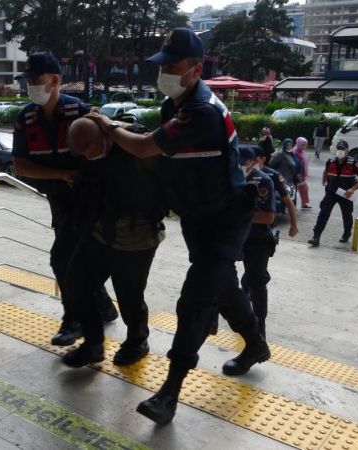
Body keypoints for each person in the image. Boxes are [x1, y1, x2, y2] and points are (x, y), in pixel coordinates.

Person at [86, 28, 268, 425]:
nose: (164, 72)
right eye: (162, 66)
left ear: (196, 70)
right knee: (223, 288)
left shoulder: (200, 111)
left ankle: (169, 393)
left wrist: (108, 126)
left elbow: (143, 147)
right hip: (199, 217)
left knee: (193, 301)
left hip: (224, 220)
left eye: (173, 66)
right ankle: (256, 344)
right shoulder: (175, 104)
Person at [11, 52, 117, 347]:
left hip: (91, 202)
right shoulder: (26, 118)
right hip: (58, 202)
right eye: (28, 81)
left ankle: (74, 320)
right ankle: (103, 307)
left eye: (36, 79)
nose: (31, 86)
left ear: (55, 80)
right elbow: (20, 165)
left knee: (62, 259)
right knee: (73, 260)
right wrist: (61, 175)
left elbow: (106, 155)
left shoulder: (81, 113)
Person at [61, 118, 165, 368]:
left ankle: (137, 340)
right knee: (76, 283)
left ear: (106, 136)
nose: (86, 156)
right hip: (98, 232)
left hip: (136, 237)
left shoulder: (135, 147)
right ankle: (93, 344)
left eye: (90, 149)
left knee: (129, 296)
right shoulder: (86, 151)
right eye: (81, 152)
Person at [242, 146, 299, 339]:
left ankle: (259, 329)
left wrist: (293, 224)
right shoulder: (231, 174)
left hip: (258, 237)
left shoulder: (269, 177)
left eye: (247, 161)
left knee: (255, 279)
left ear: (259, 160)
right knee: (229, 276)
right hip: (236, 236)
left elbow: (285, 203)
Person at [308, 140, 358, 247]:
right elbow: (326, 171)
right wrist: (324, 181)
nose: (340, 151)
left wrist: (352, 189)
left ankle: (346, 234)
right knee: (323, 213)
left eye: (342, 149)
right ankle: (316, 237)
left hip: (345, 194)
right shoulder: (330, 161)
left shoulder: (354, 163)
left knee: (346, 215)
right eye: (339, 148)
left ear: (347, 150)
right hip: (331, 192)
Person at [293, 137, 311, 209]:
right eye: (303, 144)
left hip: (302, 174)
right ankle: (291, 204)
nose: (304, 146)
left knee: (304, 189)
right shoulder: (294, 152)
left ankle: (304, 204)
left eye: (305, 144)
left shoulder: (302, 152)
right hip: (296, 175)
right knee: (293, 190)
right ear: (298, 144)